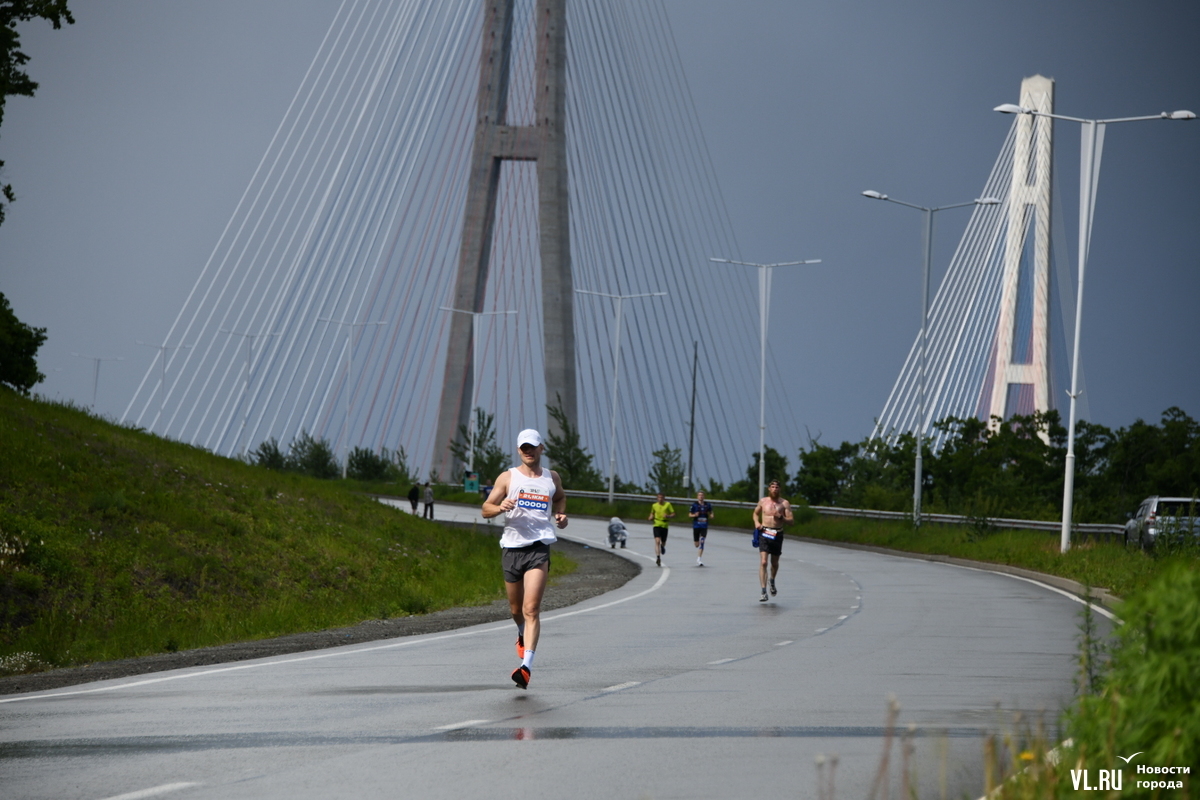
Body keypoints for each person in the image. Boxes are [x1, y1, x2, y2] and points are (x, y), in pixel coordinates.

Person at [482, 429, 567, 689]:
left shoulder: (551, 478)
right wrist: (499, 507)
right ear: (519, 450)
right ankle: (521, 634)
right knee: (516, 610)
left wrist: (561, 516)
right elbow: (486, 509)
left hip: (539, 549)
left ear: (542, 448)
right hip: (512, 549)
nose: (528, 451)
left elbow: (560, 497)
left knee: (532, 609)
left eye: (532, 447)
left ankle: (526, 667)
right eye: (524, 448)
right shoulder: (508, 477)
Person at [752, 479, 793, 602]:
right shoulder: (763, 501)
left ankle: (772, 580)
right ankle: (763, 591)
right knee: (764, 562)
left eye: (777, 487)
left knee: (774, 563)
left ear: (779, 489)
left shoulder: (784, 503)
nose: (775, 489)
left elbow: (791, 521)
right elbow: (755, 513)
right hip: (764, 533)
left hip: (777, 534)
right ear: (769, 489)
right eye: (773, 487)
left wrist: (781, 517)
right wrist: (756, 522)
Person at [647, 492, 674, 567]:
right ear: (657, 498)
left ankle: (663, 546)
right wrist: (650, 517)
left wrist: (668, 516)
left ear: (664, 498)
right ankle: (658, 557)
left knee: (663, 541)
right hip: (656, 524)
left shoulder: (668, 505)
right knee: (657, 541)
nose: (660, 499)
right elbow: (652, 513)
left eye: (662, 497)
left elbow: (673, 514)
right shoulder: (654, 505)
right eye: (659, 497)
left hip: (664, 525)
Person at [689, 490, 714, 566]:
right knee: (697, 544)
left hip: (704, 525)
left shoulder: (707, 505)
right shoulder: (694, 505)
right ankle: (698, 546)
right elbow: (690, 514)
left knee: (702, 541)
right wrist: (694, 515)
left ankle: (699, 559)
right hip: (696, 525)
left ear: (704, 496)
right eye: (699, 495)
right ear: (697, 496)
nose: (701, 496)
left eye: (702, 495)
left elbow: (711, 512)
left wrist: (712, 515)